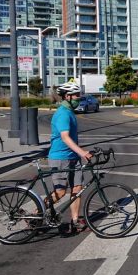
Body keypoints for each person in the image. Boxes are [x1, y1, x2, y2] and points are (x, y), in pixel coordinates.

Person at [48, 81, 92, 234]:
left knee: (77, 188)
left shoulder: (69, 112)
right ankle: (37, 213)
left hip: (72, 157)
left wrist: (78, 153)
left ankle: (75, 220)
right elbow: (65, 138)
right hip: (60, 157)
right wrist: (83, 152)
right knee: (60, 192)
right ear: (67, 96)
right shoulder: (62, 114)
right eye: (76, 95)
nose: (78, 98)